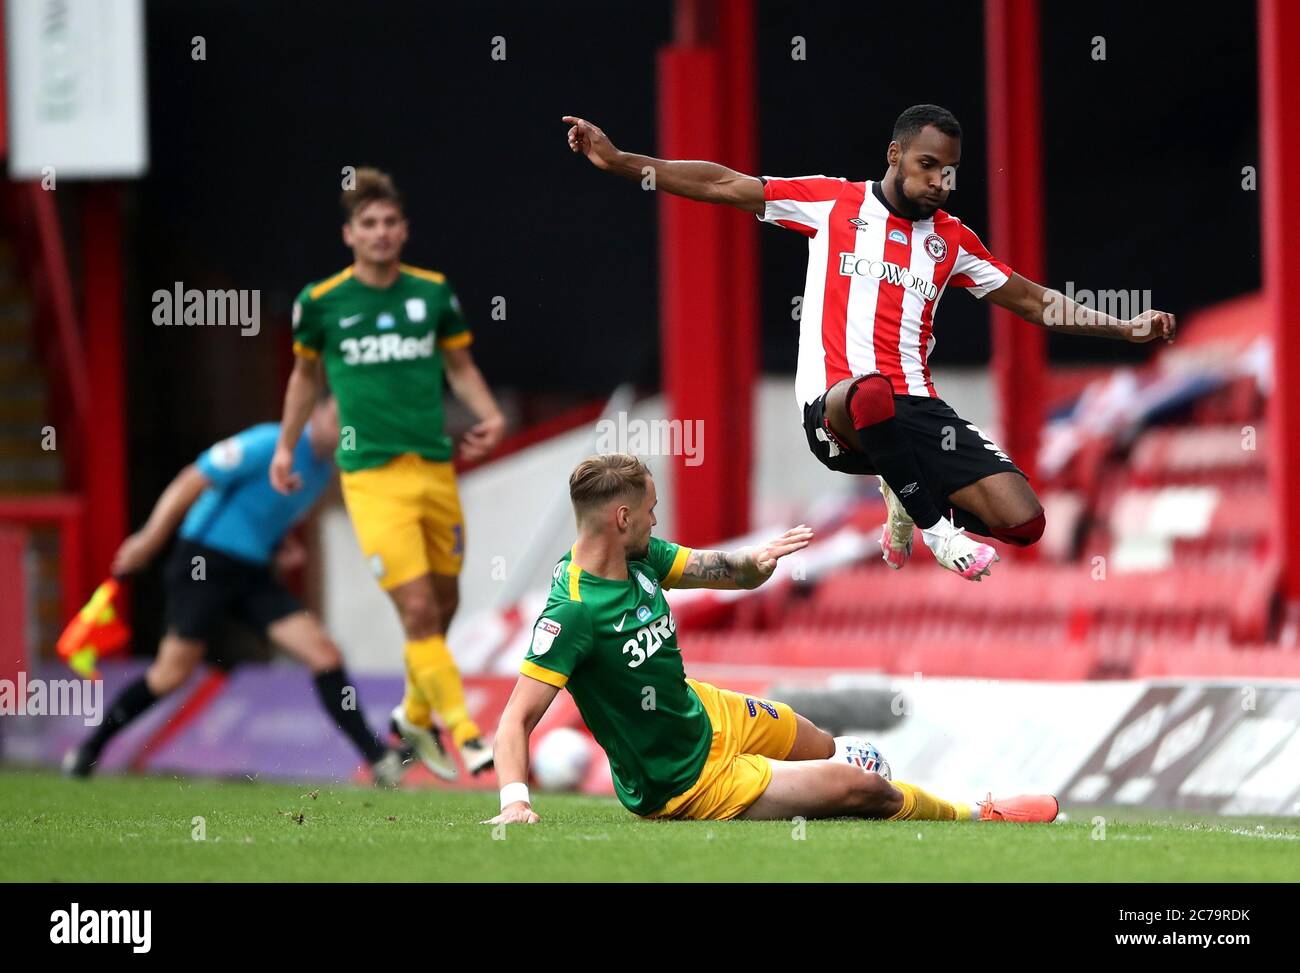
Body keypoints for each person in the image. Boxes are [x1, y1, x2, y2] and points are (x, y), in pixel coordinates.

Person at [561, 106, 1177, 581]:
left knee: (1024, 521)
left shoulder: (953, 241)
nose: (940, 181)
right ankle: (935, 528)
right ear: (896, 155)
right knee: (873, 395)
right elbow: (726, 184)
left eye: (950, 171)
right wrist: (621, 161)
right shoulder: (833, 204)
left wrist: (1122, 327)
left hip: (916, 411)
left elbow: (1034, 301)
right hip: (837, 409)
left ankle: (903, 491)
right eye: (928, 166)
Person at [484, 454, 1058, 825]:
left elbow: (721, 570)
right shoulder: (574, 612)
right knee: (864, 789)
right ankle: (979, 813)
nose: (659, 522)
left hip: (704, 712)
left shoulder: (642, 558)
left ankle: (834, 773)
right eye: (653, 511)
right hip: (683, 781)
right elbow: (514, 721)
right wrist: (516, 803)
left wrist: (755, 563)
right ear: (623, 517)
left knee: (817, 740)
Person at [272, 168, 504, 777]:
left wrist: (490, 416)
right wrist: (285, 447)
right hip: (370, 478)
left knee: (445, 604)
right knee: (420, 612)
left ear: (404, 231)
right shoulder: (320, 303)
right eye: (368, 224)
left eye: (390, 222)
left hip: (433, 469)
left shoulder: (432, 293)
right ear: (349, 235)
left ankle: (411, 717)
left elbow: (459, 366)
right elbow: (303, 379)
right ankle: (468, 737)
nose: (380, 233)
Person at [63, 397, 406, 786]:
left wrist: (280, 544)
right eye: (338, 420)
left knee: (323, 653)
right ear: (315, 414)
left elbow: (260, 513)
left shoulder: (321, 472)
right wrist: (148, 539)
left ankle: (378, 760)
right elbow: (192, 479)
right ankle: (89, 750)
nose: (344, 432)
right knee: (171, 672)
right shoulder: (268, 443)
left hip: (252, 572)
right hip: (204, 561)